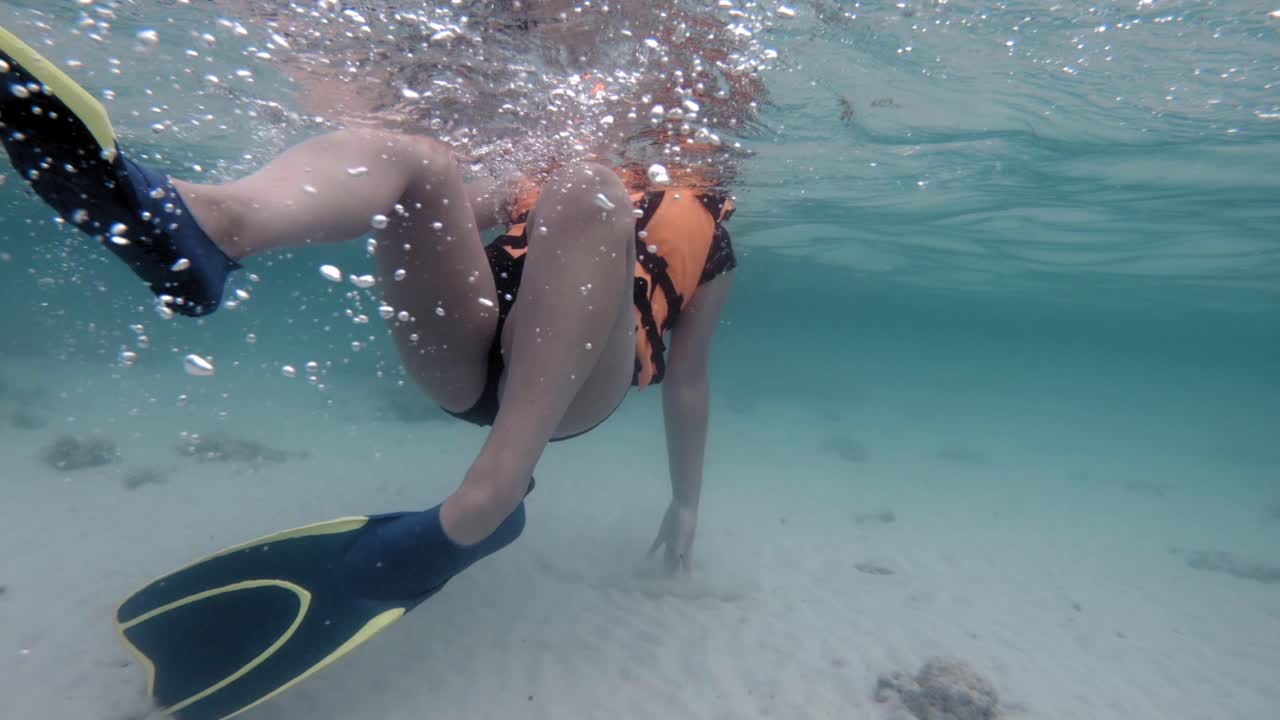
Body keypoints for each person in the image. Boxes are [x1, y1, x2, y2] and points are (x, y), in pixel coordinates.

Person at [1, 3, 764, 715]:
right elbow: (435, 219)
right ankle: (210, 227)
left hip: (567, 397)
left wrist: (686, 500)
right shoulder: (543, 179)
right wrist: (463, 188)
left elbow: (687, 383)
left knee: (591, 189)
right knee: (417, 161)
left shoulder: (707, 242)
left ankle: (489, 493)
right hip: (468, 348)